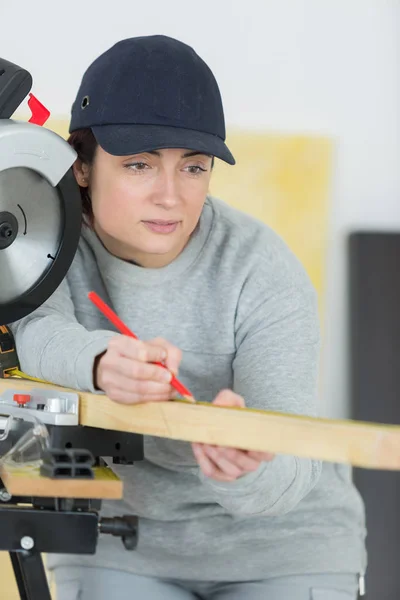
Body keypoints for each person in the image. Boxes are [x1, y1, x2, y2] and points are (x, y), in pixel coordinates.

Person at [9, 35, 367, 600]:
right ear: (80, 166)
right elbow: (39, 334)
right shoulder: (42, 242)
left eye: (193, 167)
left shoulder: (263, 269)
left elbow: (290, 475)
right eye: (138, 165)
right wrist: (101, 362)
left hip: (286, 546)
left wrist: (246, 466)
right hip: (124, 546)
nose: (170, 196)